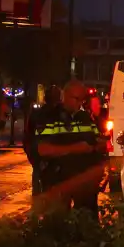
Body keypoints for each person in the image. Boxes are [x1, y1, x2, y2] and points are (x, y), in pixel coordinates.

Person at [28, 81, 108, 216]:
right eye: (76, 99)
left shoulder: (85, 117)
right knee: (57, 221)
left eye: (82, 100)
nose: (79, 104)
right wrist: (76, 148)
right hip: (58, 180)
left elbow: (96, 141)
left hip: (83, 182)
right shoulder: (50, 117)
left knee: (87, 221)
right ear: (64, 96)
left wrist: (99, 146)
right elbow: (43, 149)